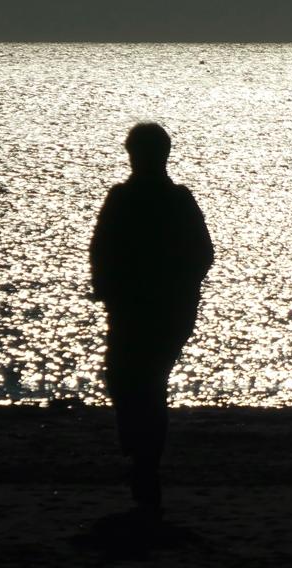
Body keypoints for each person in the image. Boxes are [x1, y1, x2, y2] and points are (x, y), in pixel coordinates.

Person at [90, 123, 213, 514]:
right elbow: (202, 254)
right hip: (158, 309)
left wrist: (112, 286)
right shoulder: (163, 199)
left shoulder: (134, 199)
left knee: (134, 379)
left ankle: (143, 458)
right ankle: (143, 456)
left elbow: (102, 249)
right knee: (142, 381)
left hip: (145, 309)